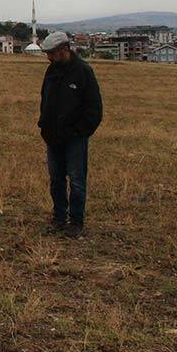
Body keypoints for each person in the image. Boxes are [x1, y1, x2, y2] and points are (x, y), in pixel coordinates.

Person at [37, 31, 102, 238]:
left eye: (51, 53)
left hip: (75, 139)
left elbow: (94, 110)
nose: (49, 57)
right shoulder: (51, 71)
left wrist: (78, 132)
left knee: (76, 180)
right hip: (53, 137)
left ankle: (76, 222)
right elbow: (44, 99)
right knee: (56, 179)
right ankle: (58, 218)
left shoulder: (83, 72)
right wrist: (44, 126)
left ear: (64, 50)